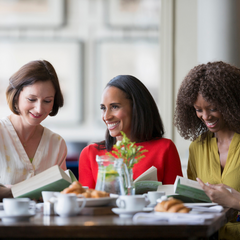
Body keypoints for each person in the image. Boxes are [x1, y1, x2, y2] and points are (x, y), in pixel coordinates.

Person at [79, 75, 183, 189]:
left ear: (136, 108)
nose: (106, 116)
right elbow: (85, 203)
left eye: (114, 107)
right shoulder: (90, 154)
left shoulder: (165, 149)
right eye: (103, 108)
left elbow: (175, 202)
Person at [174, 61, 240, 239]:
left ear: (230, 103)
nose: (205, 116)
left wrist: (234, 200)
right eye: (198, 110)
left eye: (213, 108)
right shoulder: (198, 147)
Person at [0, 60, 67, 201]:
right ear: (16, 95)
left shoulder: (57, 144)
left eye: (47, 101)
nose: (39, 109)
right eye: (31, 99)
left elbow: (64, 194)